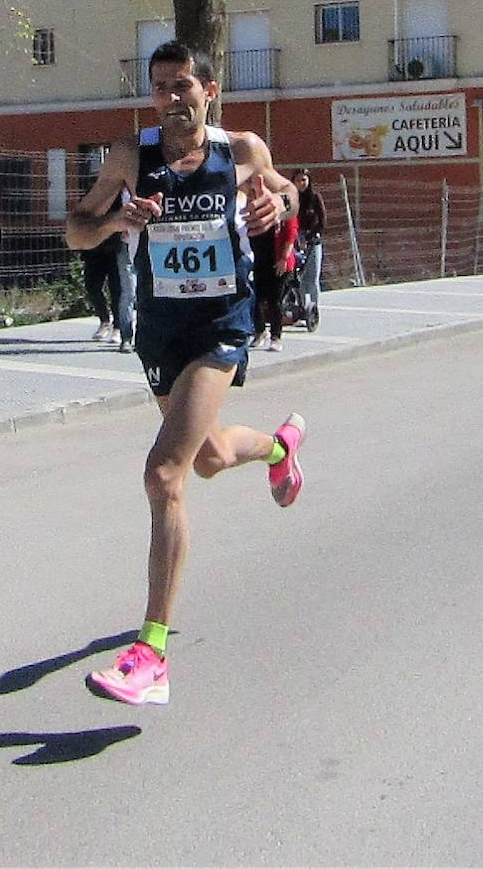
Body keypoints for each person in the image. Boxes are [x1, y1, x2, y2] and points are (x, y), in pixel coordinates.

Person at [65, 39, 304, 706]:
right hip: (160, 329)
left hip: (222, 323)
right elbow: (75, 232)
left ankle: (151, 654)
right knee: (207, 456)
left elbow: (284, 189)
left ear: (210, 90)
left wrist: (274, 208)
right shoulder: (129, 157)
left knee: (162, 473)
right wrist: (117, 219)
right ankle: (280, 448)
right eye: (160, 88)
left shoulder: (242, 149)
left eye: (182, 86)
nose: (171, 99)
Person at [81, 188, 136, 351]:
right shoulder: (97, 191)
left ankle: (121, 330)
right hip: (95, 246)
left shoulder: (124, 192)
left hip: (116, 245)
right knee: (92, 285)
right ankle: (104, 320)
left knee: (120, 289)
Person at [250, 208, 298, 352]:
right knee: (255, 298)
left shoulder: (285, 210)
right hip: (260, 260)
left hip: (279, 262)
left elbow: (291, 233)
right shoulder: (258, 210)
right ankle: (260, 331)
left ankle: (275, 337)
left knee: (274, 300)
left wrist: (284, 258)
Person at [292, 169, 326, 319]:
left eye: (304, 180)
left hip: (313, 241)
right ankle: (302, 308)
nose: (301, 183)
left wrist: (311, 236)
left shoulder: (315, 197)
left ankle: (313, 309)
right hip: (295, 241)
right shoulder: (291, 198)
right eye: (298, 180)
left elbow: (322, 220)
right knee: (298, 278)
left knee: (312, 277)